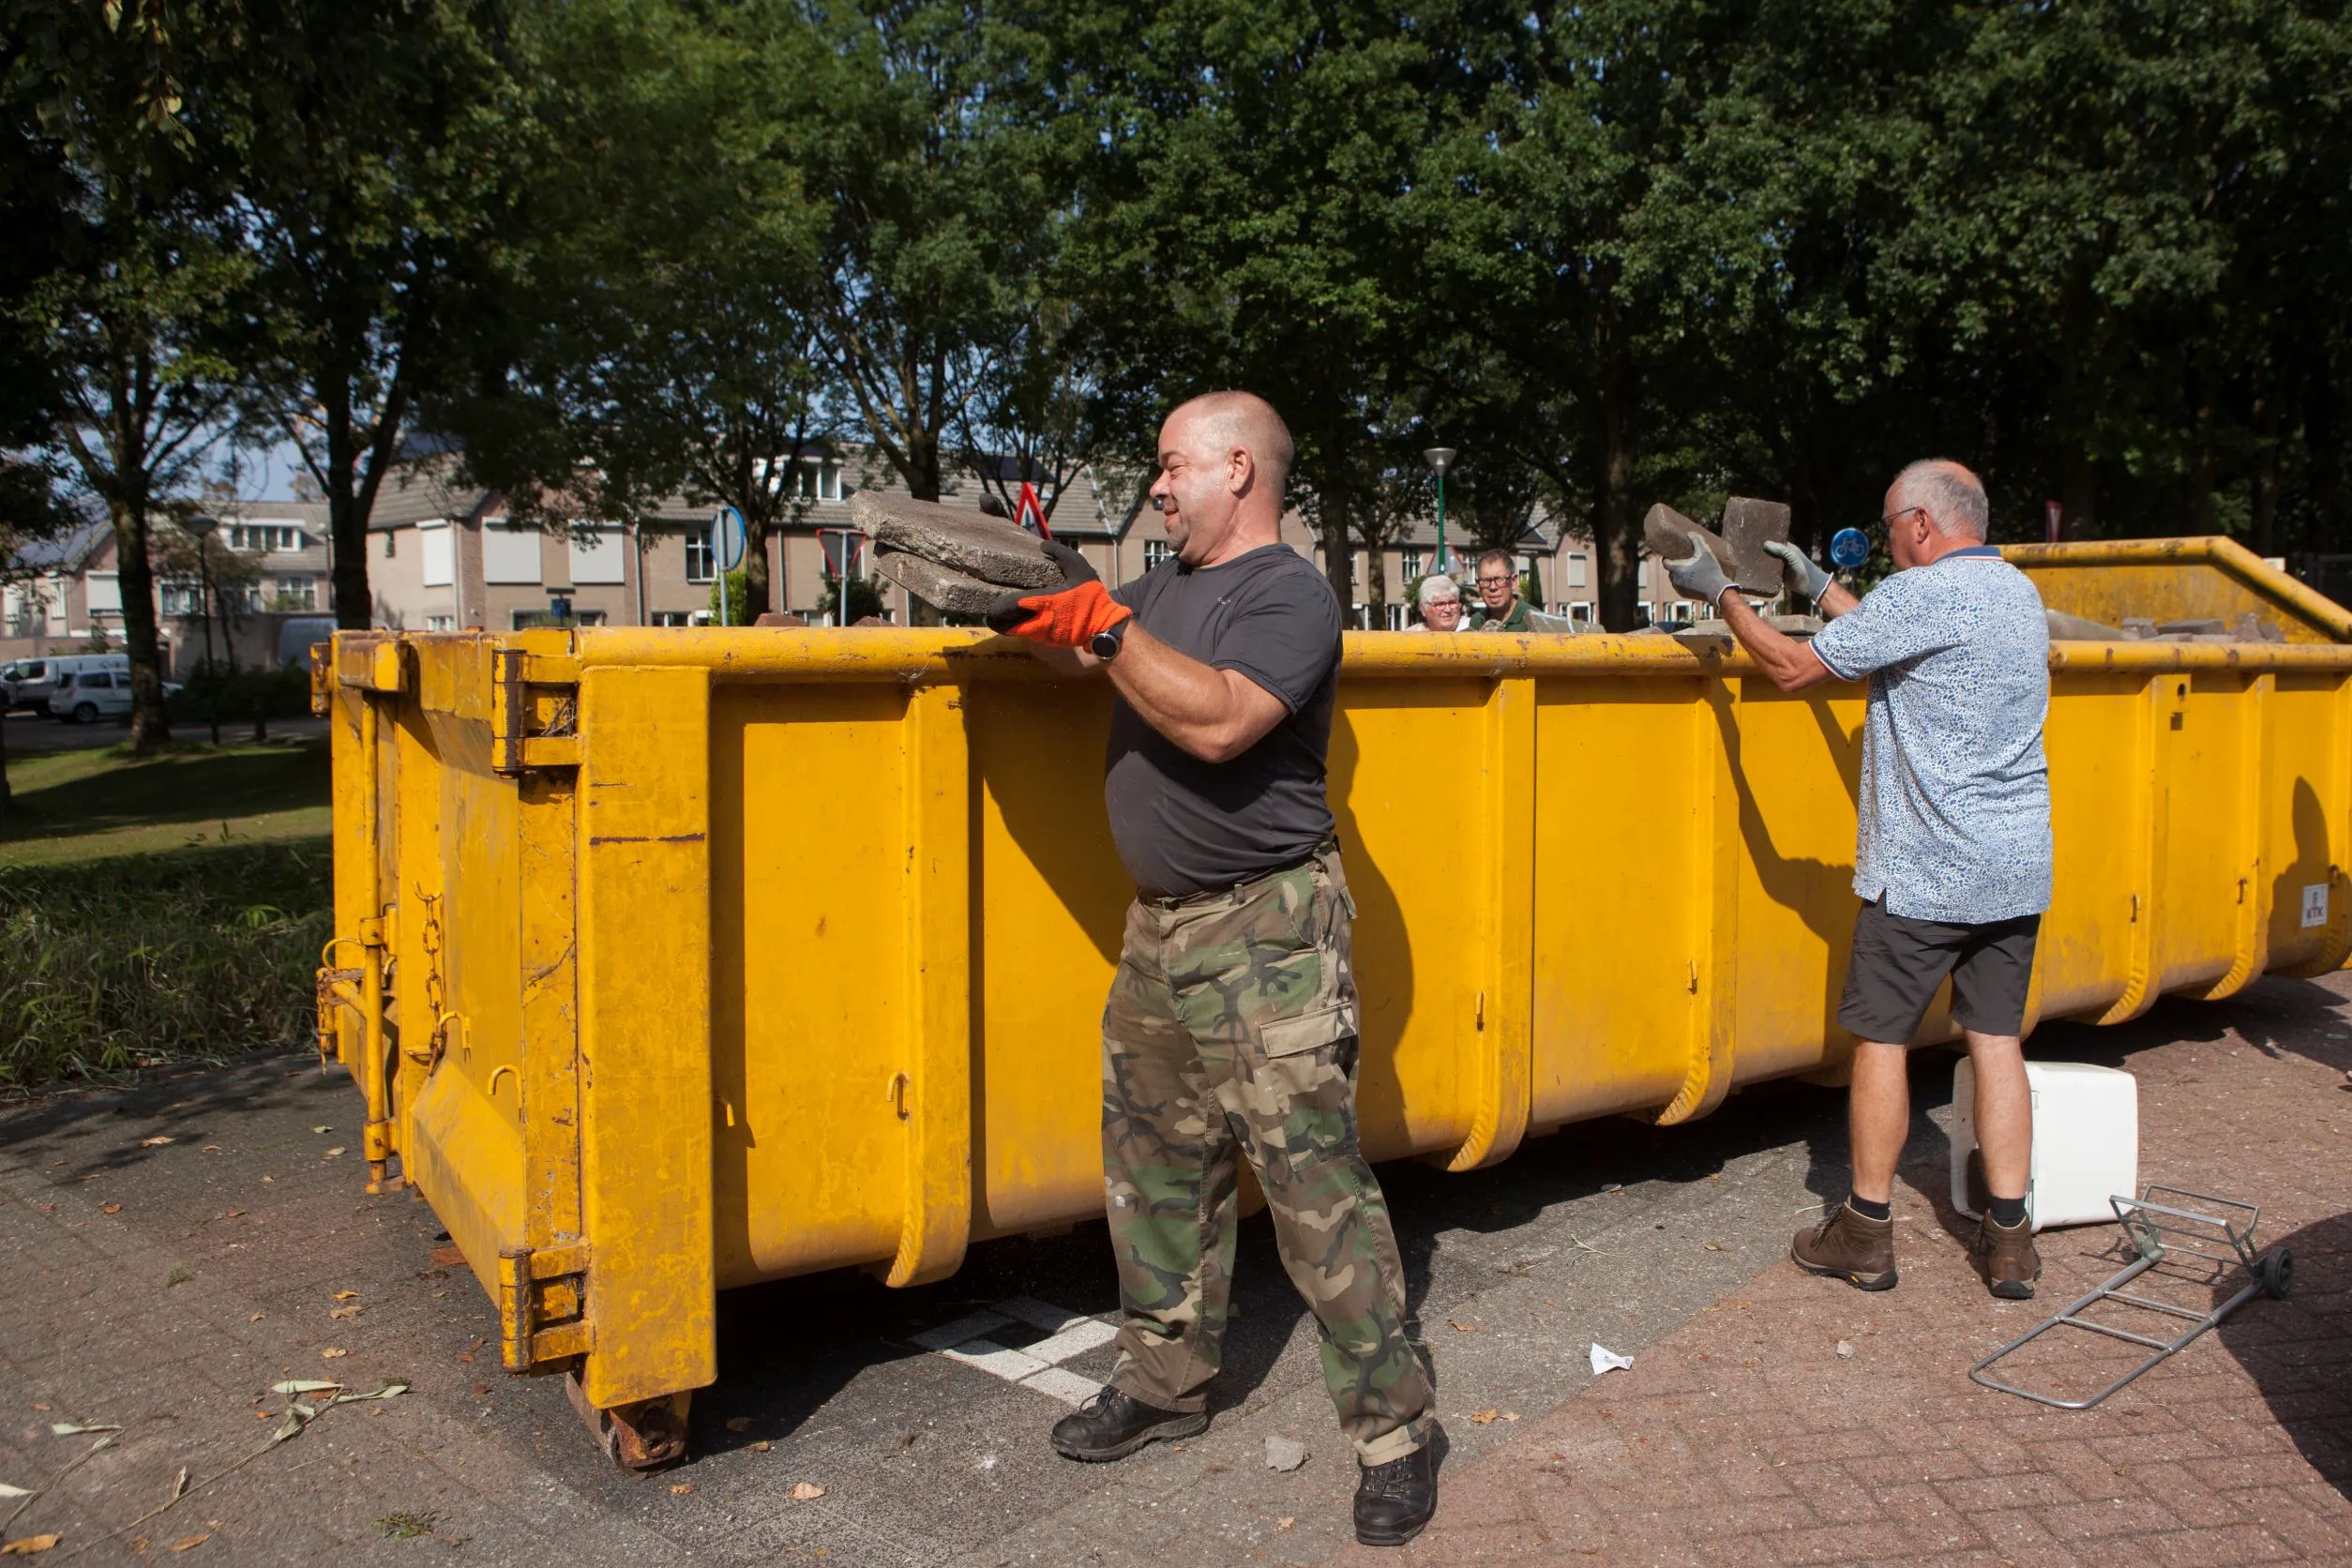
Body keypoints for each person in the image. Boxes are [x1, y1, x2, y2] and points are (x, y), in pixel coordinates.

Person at [987, 390, 1441, 1547]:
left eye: (1170, 465)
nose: (1155, 485)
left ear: (1238, 469)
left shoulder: (1290, 594)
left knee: (1315, 1191)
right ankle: (1163, 1383)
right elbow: (1079, 656)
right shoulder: (1167, 587)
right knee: (1155, 1171)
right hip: (1161, 931)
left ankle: (1395, 1433)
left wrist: (1103, 627)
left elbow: (1221, 723)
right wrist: (1018, 599)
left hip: (1268, 934)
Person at [1665, 460, 2051, 1301]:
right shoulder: (2017, 594)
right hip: (2015, 867)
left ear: (1920, 523)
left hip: (1924, 871)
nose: (1883, 540)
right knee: (1997, 1043)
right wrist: (1824, 591)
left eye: (1887, 525)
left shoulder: (1920, 597)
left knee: (1883, 1042)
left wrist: (1723, 595)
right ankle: (2011, 1239)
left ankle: (1866, 1231)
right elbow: (1894, 638)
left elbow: (1797, 671)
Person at [1466, 549, 1572, 632]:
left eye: (1500, 580)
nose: (1493, 587)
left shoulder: (1534, 621)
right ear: (1477, 584)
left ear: (1513, 581)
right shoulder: (1476, 622)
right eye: (1486, 581)